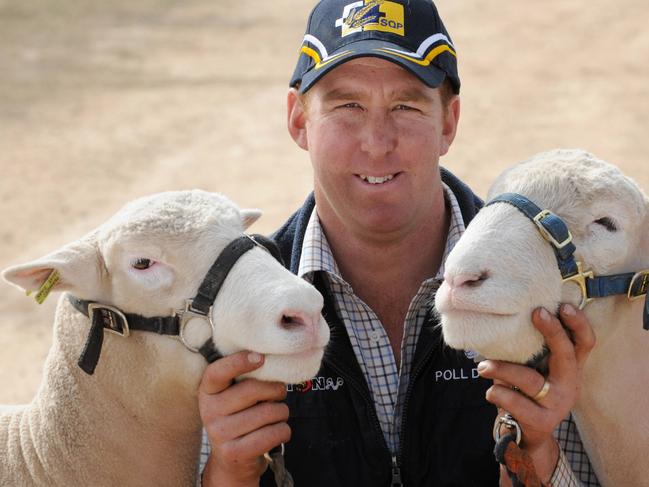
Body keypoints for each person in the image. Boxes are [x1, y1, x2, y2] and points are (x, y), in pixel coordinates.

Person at [198, 1, 598, 485]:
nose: (377, 141)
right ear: (299, 119)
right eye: (348, 106)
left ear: (448, 122)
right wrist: (229, 472)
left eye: (405, 106)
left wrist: (535, 452)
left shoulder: (559, 290)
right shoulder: (224, 312)